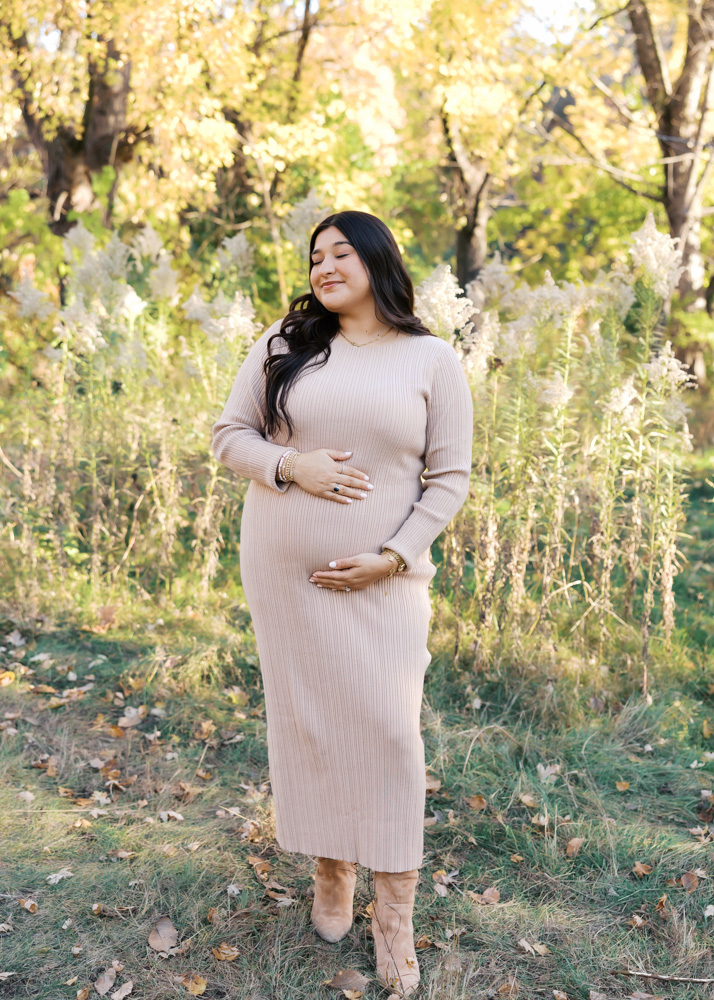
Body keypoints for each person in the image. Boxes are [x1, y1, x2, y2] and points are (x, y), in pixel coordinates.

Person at [212, 210, 473, 996]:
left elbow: (448, 480)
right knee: (312, 725)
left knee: (389, 734)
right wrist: (292, 466)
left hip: (387, 582)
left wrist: (391, 557)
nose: (324, 266)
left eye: (340, 253)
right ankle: (332, 871)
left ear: (377, 260)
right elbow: (230, 437)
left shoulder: (431, 359)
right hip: (285, 577)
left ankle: (394, 915)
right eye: (315, 256)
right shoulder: (285, 344)